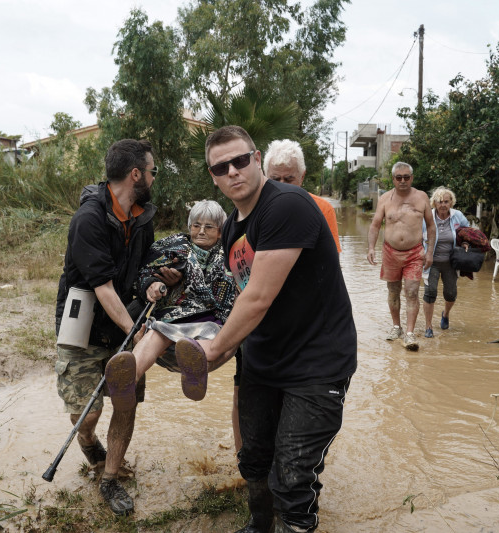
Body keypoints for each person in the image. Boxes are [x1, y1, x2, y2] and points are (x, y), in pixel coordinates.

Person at [173, 126, 357, 533]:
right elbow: (241, 301)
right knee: (254, 458)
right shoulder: (234, 229)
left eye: (241, 160)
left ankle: (295, 524)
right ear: (213, 177)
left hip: (317, 365)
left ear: (257, 160)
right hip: (264, 361)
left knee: (292, 473)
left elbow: (257, 298)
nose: (234, 171)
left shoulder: (287, 204)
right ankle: (259, 526)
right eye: (222, 167)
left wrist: (213, 351)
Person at [54, 139, 179, 516]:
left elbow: (140, 271)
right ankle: (91, 444)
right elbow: (102, 286)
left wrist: (161, 278)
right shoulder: (88, 219)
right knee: (87, 414)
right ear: (136, 174)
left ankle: (109, 478)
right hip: (84, 326)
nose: (155, 177)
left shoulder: (143, 217)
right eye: (153, 170)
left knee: (125, 400)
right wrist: (136, 330)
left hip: (128, 318)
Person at [103, 200, 238, 408]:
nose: (201, 231)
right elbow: (145, 272)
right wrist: (153, 284)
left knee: (202, 342)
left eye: (209, 226)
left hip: (212, 321)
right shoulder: (175, 247)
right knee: (156, 332)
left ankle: (193, 375)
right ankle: (129, 378)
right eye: (196, 225)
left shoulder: (231, 254)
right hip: (174, 317)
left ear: (220, 231)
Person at [367, 161, 435, 350]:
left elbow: (431, 226)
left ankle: (410, 333)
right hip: (390, 252)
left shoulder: (421, 197)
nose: (403, 181)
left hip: (415, 253)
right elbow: (374, 225)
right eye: (399, 177)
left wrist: (429, 252)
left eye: (406, 177)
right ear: (393, 179)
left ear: (412, 178)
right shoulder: (385, 199)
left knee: (412, 292)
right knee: (393, 291)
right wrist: (371, 248)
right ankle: (396, 327)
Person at [264, 139, 341, 253]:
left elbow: (332, 263)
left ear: (302, 177)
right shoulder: (255, 209)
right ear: (265, 177)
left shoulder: (322, 209)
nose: (282, 186)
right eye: (275, 179)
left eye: (288, 179)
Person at [421, 187, 470, 338]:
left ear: (451, 203)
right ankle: (428, 327)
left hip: (450, 262)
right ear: (434, 203)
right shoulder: (427, 217)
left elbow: (467, 232)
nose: (443, 204)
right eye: (439, 201)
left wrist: (465, 242)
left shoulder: (458, 216)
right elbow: (417, 235)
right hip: (431, 261)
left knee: (451, 294)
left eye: (446, 201)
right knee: (430, 293)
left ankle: (445, 314)